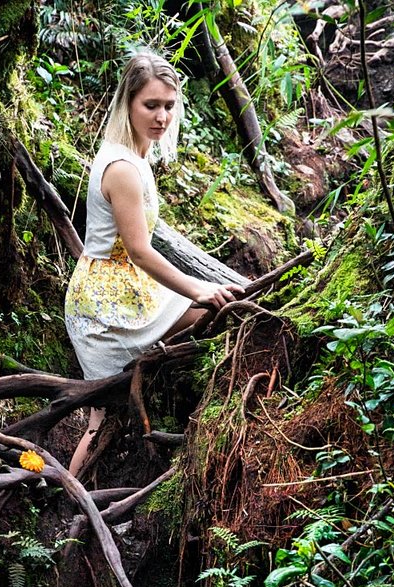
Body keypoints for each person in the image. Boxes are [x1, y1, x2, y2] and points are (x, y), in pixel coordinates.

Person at [65, 50, 244, 476]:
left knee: (105, 416)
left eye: (168, 105)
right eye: (150, 105)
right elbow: (141, 251)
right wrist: (197, 287)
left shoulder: (136, 157)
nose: (161, 116)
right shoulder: (123, 167)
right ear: (128, 104)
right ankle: (67, 499)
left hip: (126, 288)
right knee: (101, 417)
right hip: (107, 302)